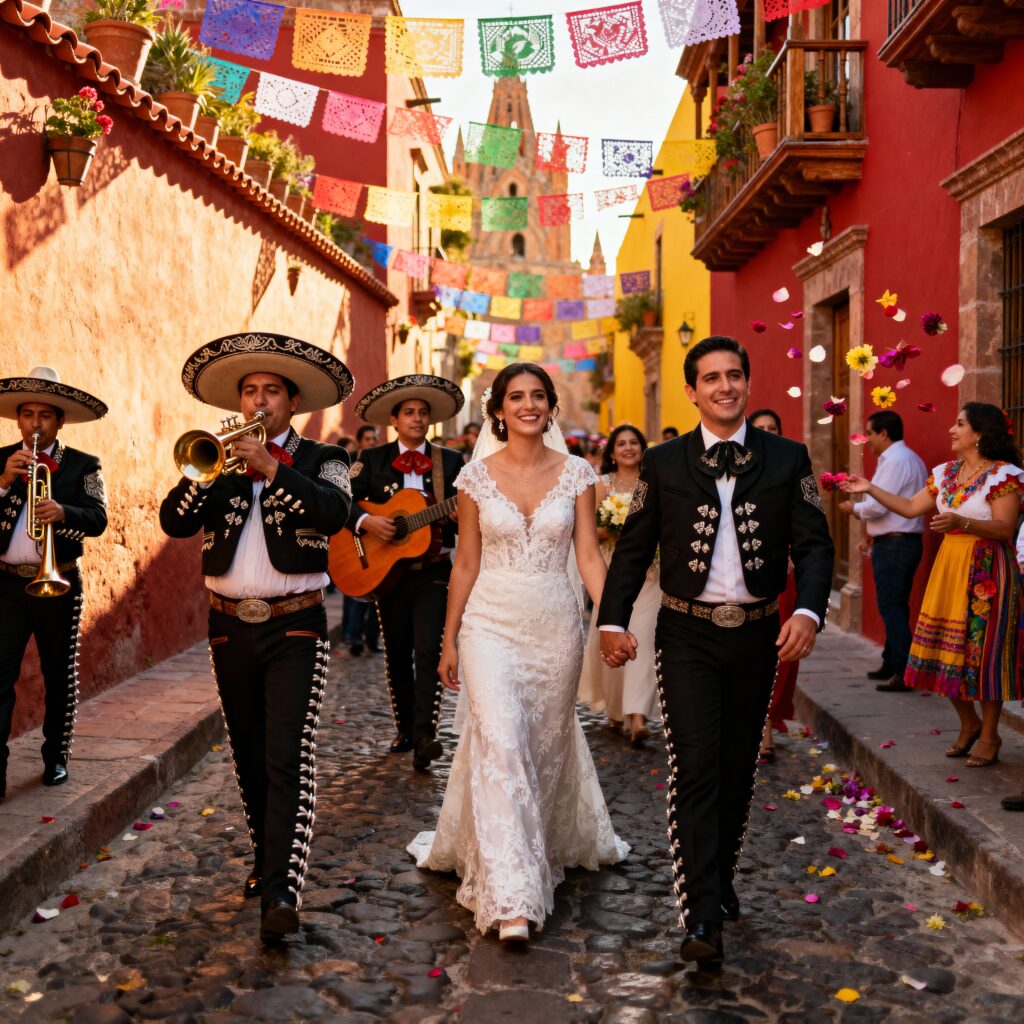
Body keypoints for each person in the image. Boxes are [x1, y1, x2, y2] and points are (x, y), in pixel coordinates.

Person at [599, 336, 834, 968]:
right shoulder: (663, 461)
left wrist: (809, 611)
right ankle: (701, 912)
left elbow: (815, 545)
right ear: (692, 390)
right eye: (711, 378)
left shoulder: (789, 457)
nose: (724, 386)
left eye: (734, 375)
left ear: (746, 382)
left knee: (736, 769)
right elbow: (632, 546)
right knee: (697, 766)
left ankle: (721, 875)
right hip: (686, 635)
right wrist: (611, 622)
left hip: (758, 632)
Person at [408, 362, 629, 942]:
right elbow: (466, 562)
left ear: (551, 406)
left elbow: (586, 555)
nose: (527, 405)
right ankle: (513, 896)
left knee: (542, 743)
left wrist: (612, 620)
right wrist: (450, 637)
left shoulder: (579, 473)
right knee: (502, 740)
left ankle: (543, 844)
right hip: (489, 624)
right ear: (498, 411)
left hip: (556, 626)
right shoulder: (474, 478)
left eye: (537, 396)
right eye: (516, 397)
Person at [159, 333, 353, 943]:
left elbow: (335, 514)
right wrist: (209, 468)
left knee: (286, 755)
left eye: (272, 391)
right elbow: (175, 520)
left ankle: (282, 890)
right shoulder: (220, 460)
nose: (260, 400)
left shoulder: (324, 458)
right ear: (240, 403)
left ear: (292, 402)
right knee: (247, 753)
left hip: (296, 623)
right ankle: (265, 862)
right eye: (251, 391)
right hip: (226, 625)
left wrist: (275, 469)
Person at [842, 402, 1023, 770]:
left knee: (981, 653)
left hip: (987, 569)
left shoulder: (1004, 475)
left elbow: (1005, 528)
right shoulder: (946, 473)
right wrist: (869, 488)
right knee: (942, 649)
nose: (951, 430)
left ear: (980, 433)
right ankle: (968, 722)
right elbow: (910, 507)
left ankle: (989, 734)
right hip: (949, 568)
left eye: (959, 424)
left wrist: (963, 522)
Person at [0, 367, 108, 800]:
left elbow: (98, 518)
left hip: (59, 581)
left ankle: (56, 757)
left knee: (58, 674)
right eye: (28, 415)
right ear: (18, 419)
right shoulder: (1, 458)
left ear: (59, 421)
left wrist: (64, 513)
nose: (36, 424)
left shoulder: (84, 465)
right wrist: (4, 481)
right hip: (5, 587)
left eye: (46, 415)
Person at [348, 375, 465, 771]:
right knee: (396, 651)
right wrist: (367, 521)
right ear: (394, 420)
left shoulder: (450, 462)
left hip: (433, 569)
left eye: (423, 413)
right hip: (386, 572)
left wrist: (456, 517)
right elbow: (339, 503)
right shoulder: (371, 460)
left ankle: (426, 735)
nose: (417, 418)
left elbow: (469, 521)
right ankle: (404, 730)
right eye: (409, 413)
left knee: (428, 648)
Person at [578, 423, 660, 745]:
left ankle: (638, 715)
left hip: (653, 574)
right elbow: (587, 531)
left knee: (645, 637)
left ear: (643, 448)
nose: (628, 448)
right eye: (621, 444)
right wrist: (614, 527)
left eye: (634, 443)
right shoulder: (602, 485)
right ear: (612, 452)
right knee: (614, 634)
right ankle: (617, 708)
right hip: (613, 573)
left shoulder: (655, 480)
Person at [838, 411, 927, 692]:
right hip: (897, 540)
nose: (867, 439)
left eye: (870, 433)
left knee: (891, 606)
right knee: (896, 604)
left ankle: (903, 670)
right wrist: (871, 535)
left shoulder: (896, 461)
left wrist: (853, 508)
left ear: (884, 433)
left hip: (896, 544)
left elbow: (879, 505)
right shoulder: (903, 458)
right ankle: (892, 661)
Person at [748, 408, 798, 760]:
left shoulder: (792, 465)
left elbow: (806, 519)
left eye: (773, 427)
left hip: (784, 573)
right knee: (755, 649)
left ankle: (767, 719)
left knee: (783, 652)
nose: (767, 432)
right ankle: (758, 727)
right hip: (745, 573)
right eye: (760, 428)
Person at [340, 424, 382, 657]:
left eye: (375, 438)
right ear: (359, 442)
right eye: (368, 438)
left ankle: (371, 637)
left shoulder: (381, 463)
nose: (372, 442)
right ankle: (352, 636)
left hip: (379, 538)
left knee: (377, 592)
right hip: (355, 535)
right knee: (355, 594)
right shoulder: (356, 464)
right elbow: (345, 496)